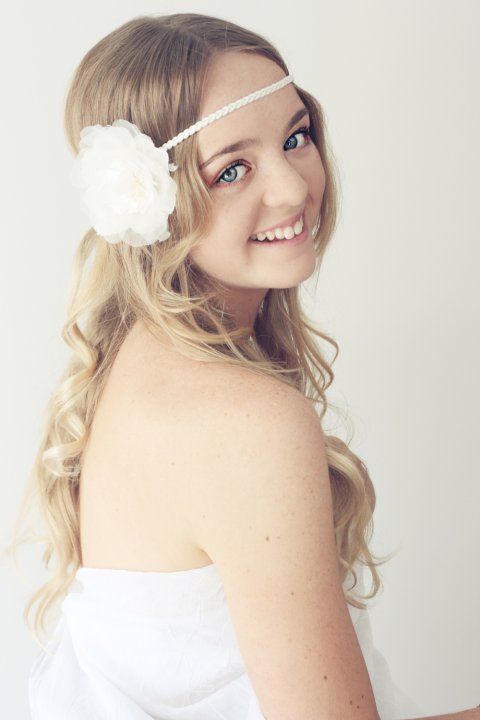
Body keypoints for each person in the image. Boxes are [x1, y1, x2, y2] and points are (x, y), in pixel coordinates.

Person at [15, 12, 479, 720]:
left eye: (296, 137)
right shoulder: (246, 421)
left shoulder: (134, 358)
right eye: (232, 169)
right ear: (153, 203)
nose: (293, 187)